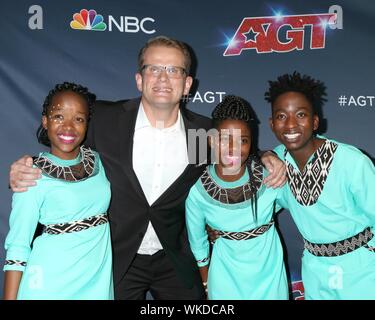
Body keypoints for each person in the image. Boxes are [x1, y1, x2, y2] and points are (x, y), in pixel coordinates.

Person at [8, 36, 286, 300]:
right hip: (116, 260)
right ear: (139, 80)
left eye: (174, 70)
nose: (163, 78)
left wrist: (264, 155)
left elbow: (234, 151)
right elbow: (65, 142)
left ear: (187, 84)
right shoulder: (104, 119)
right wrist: (25, 167)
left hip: (175, 260)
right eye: (154, 68)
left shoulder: (202, 133)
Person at [266, 72, 375, 299]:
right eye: (281, 116)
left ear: (315, 121)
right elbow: (257, 205)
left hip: (361, 268)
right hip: (315, 270)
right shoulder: (276, 161)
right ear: (272, 124)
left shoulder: (351, 161)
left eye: (301, 114)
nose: (291, 124)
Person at [3, 82, 113, 300]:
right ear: (45, 121)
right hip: (49, 283)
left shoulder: (99, 161)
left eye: (78, 119)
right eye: (59, 116)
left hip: (96, 282)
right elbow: (17, 246)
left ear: (86, 124)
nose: (69, 127)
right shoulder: (30, 174)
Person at [185, 95, 288, 299]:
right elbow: (198, 244)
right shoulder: (198, 189)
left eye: (243, 140)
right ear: (212, 140)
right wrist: (206, 283)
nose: (233, 149)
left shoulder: (270, 176)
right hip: (224, 280)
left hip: (270, 279)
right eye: (225, 139)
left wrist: (270, 155)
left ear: (251, 143)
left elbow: (300, 205)